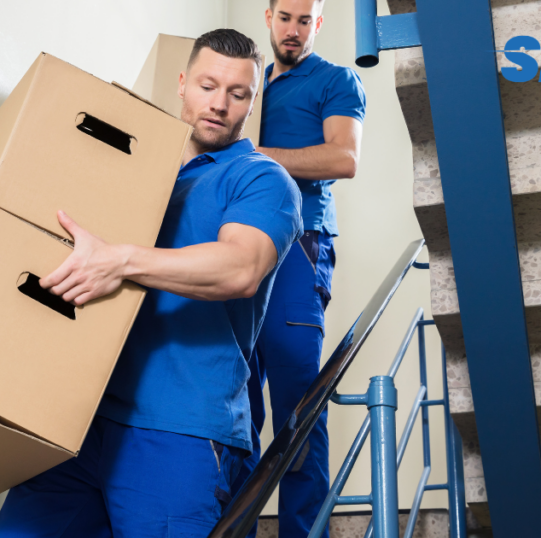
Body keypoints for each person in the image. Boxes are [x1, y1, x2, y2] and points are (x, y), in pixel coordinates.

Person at [0, 29, 302, 538]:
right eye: (206, 86)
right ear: (181, 84)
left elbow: (240, 268)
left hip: (180, 428)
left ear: (253, 99)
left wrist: (123, 261)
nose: (219, 104)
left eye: (237, 93)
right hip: (80, 418)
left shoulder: (260, 179)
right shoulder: (135, 171)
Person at [230, 1, 366, 537]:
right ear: (268, 17)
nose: (293, 29)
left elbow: (343, 159)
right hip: (238, 243)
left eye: (304, 20)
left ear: (318, 23)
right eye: (285, 17)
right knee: (236, 406)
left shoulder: (335, 80)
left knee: (297, 409)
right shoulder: (250, 84)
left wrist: (257, 154)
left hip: (298, 245)